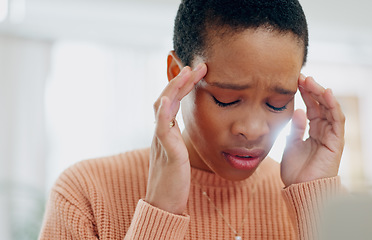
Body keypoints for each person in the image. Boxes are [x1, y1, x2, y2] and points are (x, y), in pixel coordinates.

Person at [39, 0, 345, 239]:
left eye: (278, 104)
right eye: (227, 99)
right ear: (177, 74)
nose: (252, 130)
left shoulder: (314, 199)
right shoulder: (85, 193)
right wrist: (161, 211)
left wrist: (317, 205)